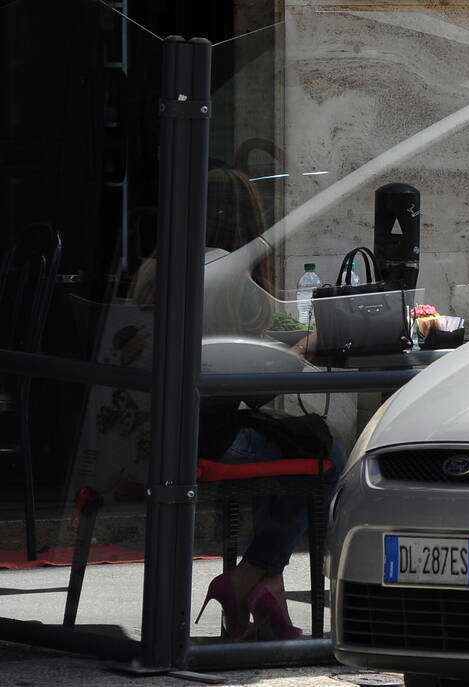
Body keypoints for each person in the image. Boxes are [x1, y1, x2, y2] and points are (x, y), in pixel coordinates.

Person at [131, 166, 344, 641]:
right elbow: (255, 387)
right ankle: (245, 581)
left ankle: (272, 611)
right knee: (325, 455)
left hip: (148, 434)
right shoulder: (221, 271)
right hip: (204, 439)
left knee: (286, 446)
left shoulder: (158, 264)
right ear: (244, 222)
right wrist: (309, 342)